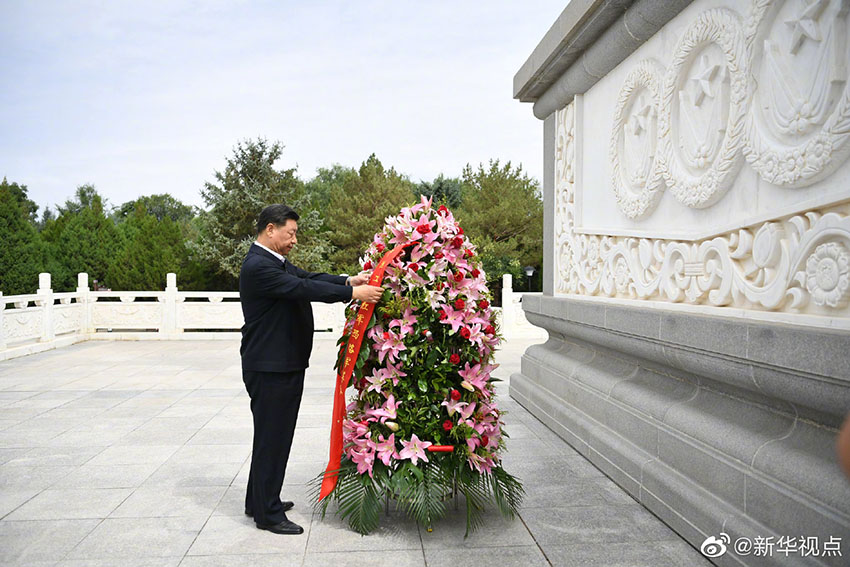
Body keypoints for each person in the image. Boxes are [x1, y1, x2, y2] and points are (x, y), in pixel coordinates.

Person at [239, 204, 382, 535]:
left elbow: (306, 277)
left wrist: (347, 279)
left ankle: (257, 500)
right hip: (272, 367)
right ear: (270, 229)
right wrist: (353, 293)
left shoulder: (273, 261)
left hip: (278, 363)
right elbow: (303, 289)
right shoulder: (259, 266)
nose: (294, 240)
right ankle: (268, 514)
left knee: (269, 436)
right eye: (290, 234)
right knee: (274, 436)